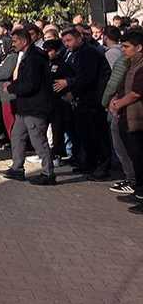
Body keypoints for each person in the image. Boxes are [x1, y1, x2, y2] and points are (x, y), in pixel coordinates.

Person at [0, 28, 56, 185]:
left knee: (38, 141)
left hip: (35, 108)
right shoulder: (28, 56)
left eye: (16, 41)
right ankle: (17, 168)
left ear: (24, 41)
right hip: (24, 108)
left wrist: (11, 88)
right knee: (17, 136)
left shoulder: (34, 58)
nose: (13, 44)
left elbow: (30, 84)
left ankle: (48, 172)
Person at [60, 27, 112, 179]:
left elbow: (87, 77)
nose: (66, 44)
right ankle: (89, 163)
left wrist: (69, 85)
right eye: (64, 42)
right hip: (82, 101)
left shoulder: (89, 52)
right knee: (86, 134)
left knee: (98, 135)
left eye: (69, 40)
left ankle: (102, 166)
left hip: (93, 101)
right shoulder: (73, 54)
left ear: (79, 38)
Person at [108, 31, 143, 213]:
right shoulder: (130, 63)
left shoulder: (141, 65)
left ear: (139, 47)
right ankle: (137, 191)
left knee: (139, 157)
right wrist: (115, 100)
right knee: (134, 157)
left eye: (127, 46)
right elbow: (123, 86)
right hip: (127, 117)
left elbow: (137, 92)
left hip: (137, 119)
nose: (123, 49)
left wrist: (119, 103)